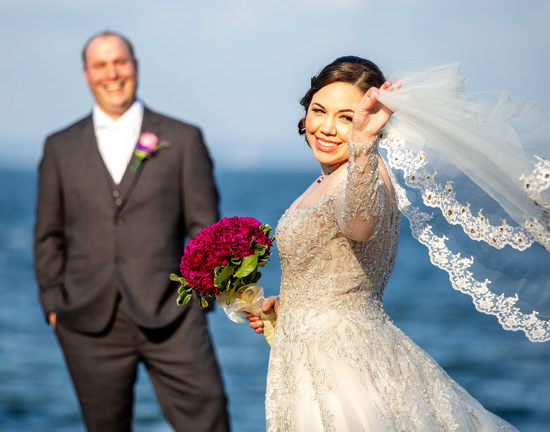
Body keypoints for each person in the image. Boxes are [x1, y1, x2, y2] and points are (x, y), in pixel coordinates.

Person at [247, 56, 519, 431]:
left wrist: (362, 142)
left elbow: (359, 225)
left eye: (346, 117)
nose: (326, 127)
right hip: (306, 361)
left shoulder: (365, 177)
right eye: (319, 111)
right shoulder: (326, 180)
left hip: (343, 370)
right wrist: (284, 311)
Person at [33, 31, 230, 432]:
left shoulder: (184, 139)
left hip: (174, 314)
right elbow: (48, 234)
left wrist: (201, 299)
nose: (112, 73)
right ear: (86, 74)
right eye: (101, 65)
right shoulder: (59, 147)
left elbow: (205, 228)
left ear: (135, 66)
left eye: (120, 62)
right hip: (87, 322)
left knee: (210, 419)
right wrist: (53, 303)